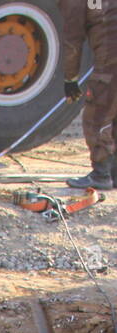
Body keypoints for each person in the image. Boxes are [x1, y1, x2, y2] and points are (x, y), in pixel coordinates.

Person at [62, 0, 117, 190]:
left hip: (110, 62)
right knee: (113, 116)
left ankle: (101, 175)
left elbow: (72, 39)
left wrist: (70, 78)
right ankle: (113, 174)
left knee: (97, 117)